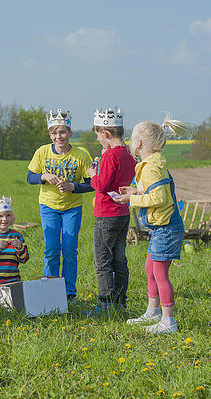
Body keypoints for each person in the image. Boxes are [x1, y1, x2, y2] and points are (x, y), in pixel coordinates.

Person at [114, 114, 193, 334]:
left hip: (166, 228)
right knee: (150, 268)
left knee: (160, 273)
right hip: (162, 227)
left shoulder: (150, 168)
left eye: (132, 139)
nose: (130, 143)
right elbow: (156, 193)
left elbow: (159, 199)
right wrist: (136, 191)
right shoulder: (151, 165)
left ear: (139, 144)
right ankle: (153, 312)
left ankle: (169, 322)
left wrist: (133, 199)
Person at [27, 109, 93, 303]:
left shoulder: (81, 155)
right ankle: (50, 289)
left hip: (72, 207)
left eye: (62, 132)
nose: (58, 136)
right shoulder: (42, 152)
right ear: (50, 135)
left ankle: (69, 292)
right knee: (52, 249)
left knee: (70, 249)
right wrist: (43, 176)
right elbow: (30, 177)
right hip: (48, 206)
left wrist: (73, 186)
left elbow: (91, 183)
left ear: (70, 133)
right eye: (54, 133)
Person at [86, 108, 136, 315]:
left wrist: (92, 175)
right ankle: (120, 301)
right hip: (123, 212)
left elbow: (103, 185)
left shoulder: (110, 156)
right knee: (119, 259)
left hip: (106, 213)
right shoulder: (130, 153)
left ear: (105, 134)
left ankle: (106, 303)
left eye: (98, 135)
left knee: (103, 260)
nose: (98, 139)